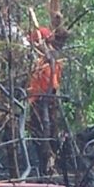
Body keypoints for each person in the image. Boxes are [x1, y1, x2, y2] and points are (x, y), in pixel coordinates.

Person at [27, 27, 64, 174]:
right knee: (38, 139)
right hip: (36, 103)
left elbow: (53, 86)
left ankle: (49, 169)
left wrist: (44, 102)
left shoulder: (50, 62)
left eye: (36, 43)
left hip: (44, 105)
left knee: (45, 139)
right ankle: (44, 169)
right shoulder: (40, 61)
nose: (35, 47)